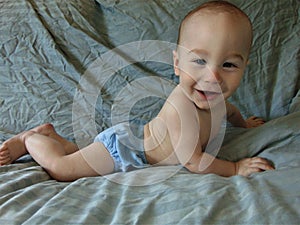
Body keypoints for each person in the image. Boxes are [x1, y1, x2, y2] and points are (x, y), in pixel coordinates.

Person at [0, 1, 274, 181]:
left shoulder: (214, 101)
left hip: (133, 138)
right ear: (177, 64)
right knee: (63, 169)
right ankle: (29, 140)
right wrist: (235, 168)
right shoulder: (183, 107)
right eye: (199, 61)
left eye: (228, 65)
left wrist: (245, 124)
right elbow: (194, 161)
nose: (212, 76)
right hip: (126, 150)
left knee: (77, 153)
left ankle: (52, 136)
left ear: (244, 68)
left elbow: (231, 112)